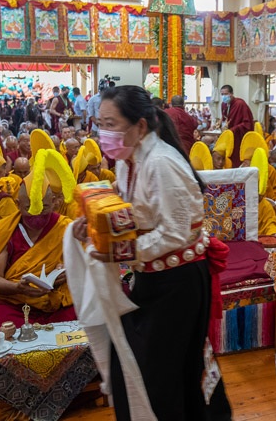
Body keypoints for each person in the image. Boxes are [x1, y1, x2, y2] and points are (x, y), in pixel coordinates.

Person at [72, 85, 232, 420]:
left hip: (179, 284)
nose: (104, 133)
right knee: (138, 365)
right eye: (100, 123)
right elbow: (135, 212)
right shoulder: (126, 160)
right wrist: (95, 225)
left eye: (112, 124)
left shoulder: (161, 162)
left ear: (140, 126)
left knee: (167, 377)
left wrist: (120, 251)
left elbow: (174, 232)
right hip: (153, 279)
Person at [0, 149, 77, 339]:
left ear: (55, 203)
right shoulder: (5, 230)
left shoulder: (65, 227)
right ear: (17, 204)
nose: (36, 216)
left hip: (57, 302)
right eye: (29, 209)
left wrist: (67, 272)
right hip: (15, 304)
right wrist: (17, 288)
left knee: (86, 320)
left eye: (44, 208)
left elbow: (84, 268)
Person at [220, 85, 254, 167]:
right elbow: (225, 119)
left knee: (236, 159)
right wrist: (220, 125)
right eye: (222, 94)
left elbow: (247, 123)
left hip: (238, 136)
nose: (224, 96)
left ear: (231, 94)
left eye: (225, 94)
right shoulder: (224, 105)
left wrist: (233, 129)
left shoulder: (240, 104)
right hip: (229, 136)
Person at [253, 148, 276, 237]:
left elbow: (270, 223)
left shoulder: (264, 204)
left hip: (262, 239)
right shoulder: (238, 200)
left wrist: (274, 233)